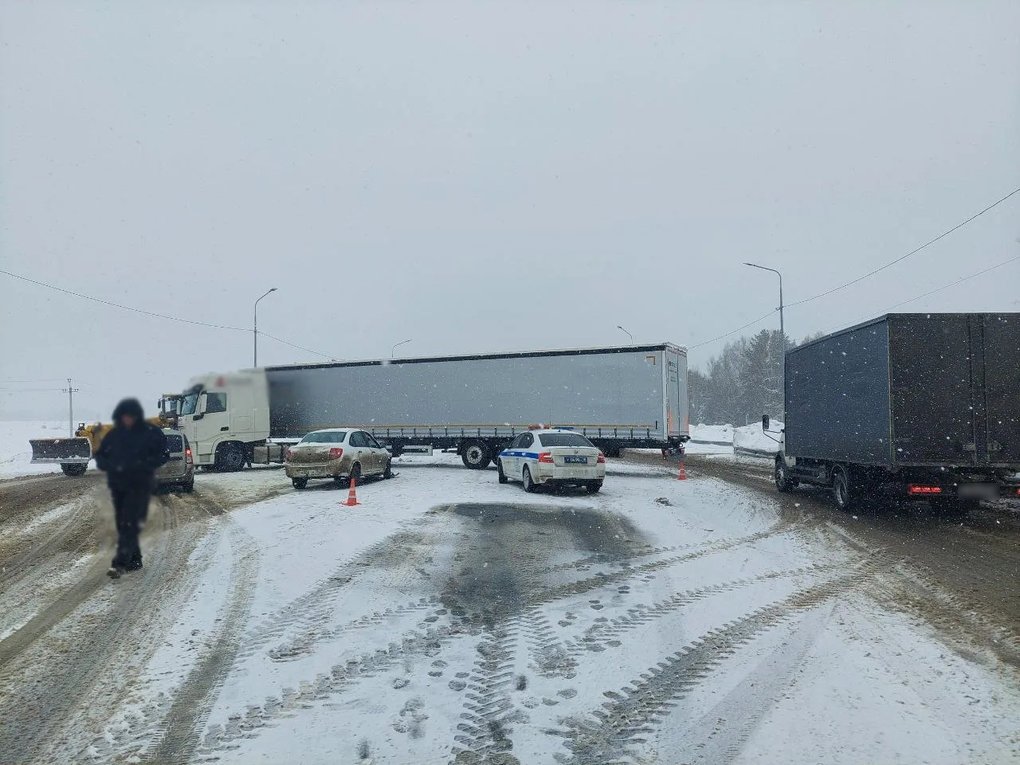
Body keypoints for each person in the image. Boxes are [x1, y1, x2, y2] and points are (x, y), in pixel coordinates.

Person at [94, 398, 168, 578]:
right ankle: (135, 560)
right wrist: (110, 465)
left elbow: (163, 454)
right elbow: (101, 457)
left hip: (140, 485)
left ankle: (119, 563)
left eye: (131, 416)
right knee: (123, 525)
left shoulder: (150, 433)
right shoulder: (114, 435)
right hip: (118, 487)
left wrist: (144, 464)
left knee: (130, 523)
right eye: (124, 416)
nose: (127, 419)